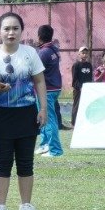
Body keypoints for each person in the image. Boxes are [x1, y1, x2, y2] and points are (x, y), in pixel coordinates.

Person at [0, 11, 47, 210]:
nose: (11, 33)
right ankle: (0, 207)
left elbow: (39, 82)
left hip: (27, 114)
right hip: (1, 115)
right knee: (3, 162)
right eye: (6, 29)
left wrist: (43, 108)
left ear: (21, 31)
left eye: (15, 28)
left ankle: (26, 205)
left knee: (26, 162)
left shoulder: (30, 53)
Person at [34, 24, 64, 156]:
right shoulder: (54, 49)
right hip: (54, 87)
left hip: (47, 90)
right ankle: (44, 144)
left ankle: (55, 150)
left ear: (39, 36)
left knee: (49, 118)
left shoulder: (43, 52)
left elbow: (35, 71)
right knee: (42, 117)